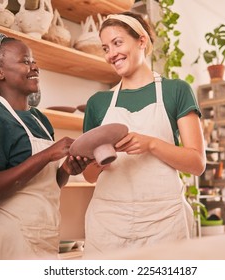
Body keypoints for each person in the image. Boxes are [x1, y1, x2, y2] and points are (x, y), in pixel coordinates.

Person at [0, 33, 90, 260]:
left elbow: (46, 185)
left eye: (33, 61)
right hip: (6, 243)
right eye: (25, 61)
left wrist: (66, 170)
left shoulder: (41, 120)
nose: (34, 67)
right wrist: (47, 155)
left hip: (44, 239)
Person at [82, 12, 206, 256]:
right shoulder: (98, 103)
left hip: (164, 223)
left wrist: (151, 145)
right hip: (108, 223)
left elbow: (197, 163)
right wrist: (100, 161)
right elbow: (88, 175)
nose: (111, 54)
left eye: (118, 43)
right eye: (106, 48)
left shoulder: (176, 91)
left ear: (142, 41)